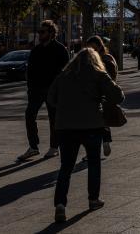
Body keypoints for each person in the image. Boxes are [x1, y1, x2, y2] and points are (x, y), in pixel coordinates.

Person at [47, 47, 123, 223]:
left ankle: (60, 204)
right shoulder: (99, 74)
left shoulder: (63, 76)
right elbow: (118, 96)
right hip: (92, 125)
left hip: (66, 127)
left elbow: (51, 99)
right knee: (94, 163)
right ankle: (93, 199)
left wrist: (66, 106)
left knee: (66, 167)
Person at [18, 20, 69, 162]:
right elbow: (30, 70)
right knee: (29, 115)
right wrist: (30, 88)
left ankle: (54, 147)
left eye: (43, 32)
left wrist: (60, 90)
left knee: (54, 118)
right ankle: (33, 146)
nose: (40, 34)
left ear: (51, 33)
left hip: (53, 90)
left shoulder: (60, 49)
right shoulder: (36, 50)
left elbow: (66, 71)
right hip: (36, 89)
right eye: (39, 32)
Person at [84, 36, 117, 158]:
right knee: (101, 121)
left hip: (100, 95)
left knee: (94, 124)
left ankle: (93, 151)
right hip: (97, 95)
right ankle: (105, 141)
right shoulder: (97, 58)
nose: (91, 50)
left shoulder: (104, 59)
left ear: (99, 46)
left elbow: (110, 78)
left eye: (93, 47)